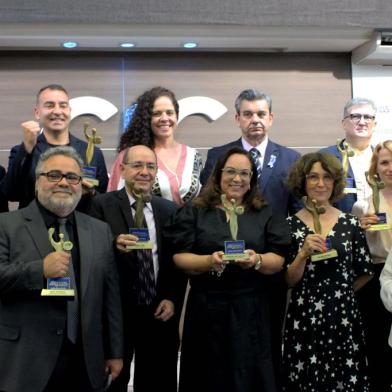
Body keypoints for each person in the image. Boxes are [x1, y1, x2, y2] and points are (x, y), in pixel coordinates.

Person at [163, 147, 291, 392]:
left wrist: (257, 260)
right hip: (207, 311)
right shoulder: (196, 211)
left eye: (245, 173)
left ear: (252, 178)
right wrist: (209, 261)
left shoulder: (265, 212)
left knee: (250, 377)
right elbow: (179, 257)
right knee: (208, 376)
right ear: (218, 174)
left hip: (251, 311)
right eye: (231, 171)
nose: (237, 178)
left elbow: (279, 258)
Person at [0, 146, 122, 392]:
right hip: (25, 362)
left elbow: (110, 297)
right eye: (54, 175)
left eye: (72, 177)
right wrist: (39, 270)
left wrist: (115, 352)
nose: (64, 183)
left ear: (81, 184)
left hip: (85, 361)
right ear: (38, 181)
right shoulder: (6, 224)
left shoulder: (100, 230)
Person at [88, 145, 185, 392]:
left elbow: (176, 262)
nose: (145, 172)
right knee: (113, 382)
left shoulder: (169, 210)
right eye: (137, 166)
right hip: (116, 314)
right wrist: (112, 244)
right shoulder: (100, 205)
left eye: (150, 166)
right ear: (122, 170)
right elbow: (88, 253)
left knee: (158, 381)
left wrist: (172, 298)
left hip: (158, 312)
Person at [283, 152, 373, 391]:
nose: (320, 183)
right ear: (302, 181)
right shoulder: (288, 225)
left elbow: (365, 270)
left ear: (335, 182)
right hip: (305, 312)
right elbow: (288, 280)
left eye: (326, 177)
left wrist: (341, 292)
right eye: (313, 177)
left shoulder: (351, 223)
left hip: (343, 313)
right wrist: (302, 254)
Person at [0, 84, 108, 210]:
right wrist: (26, 149)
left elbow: (103, 201)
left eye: (63, 105)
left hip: (81, 226)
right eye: (49, 105)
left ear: (69, 111)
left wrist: (91, 193)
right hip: (34, 227)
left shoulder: (93, 153)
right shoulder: (21, 151)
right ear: (37, 112)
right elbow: (11, 193)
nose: (57, 111)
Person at [200, 88, 301, 215]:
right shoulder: (217, 156)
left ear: (270, 118)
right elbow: (207, 204)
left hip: (275, 232)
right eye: (248, 114)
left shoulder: (291, 159)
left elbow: (298, 210)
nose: (255, 120)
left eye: (261, 114)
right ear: (237, 119)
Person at [108, 86, 202, 206]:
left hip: (189, 224)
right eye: (157, 114)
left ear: (176, 116)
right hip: (146, 224)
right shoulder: (130, 155)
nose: (164, 118)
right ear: (147, 119)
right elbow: (114, 203)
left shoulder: (193, 155)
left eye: (169, 112)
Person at [352, 140, 392, 391]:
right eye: (385, 162)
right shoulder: (362, 206)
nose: (390, 168)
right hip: (374, 278)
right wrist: (360, 229)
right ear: (375, 168)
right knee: (376, 342)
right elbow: (355, 250)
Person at [320, 97, 377, 213]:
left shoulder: (385, 159)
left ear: (374, 124)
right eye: (355, 116)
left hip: (381, 228)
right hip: (340, 227)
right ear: (344, 124)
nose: (362, 122)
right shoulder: (325, 157)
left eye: (367, 117)